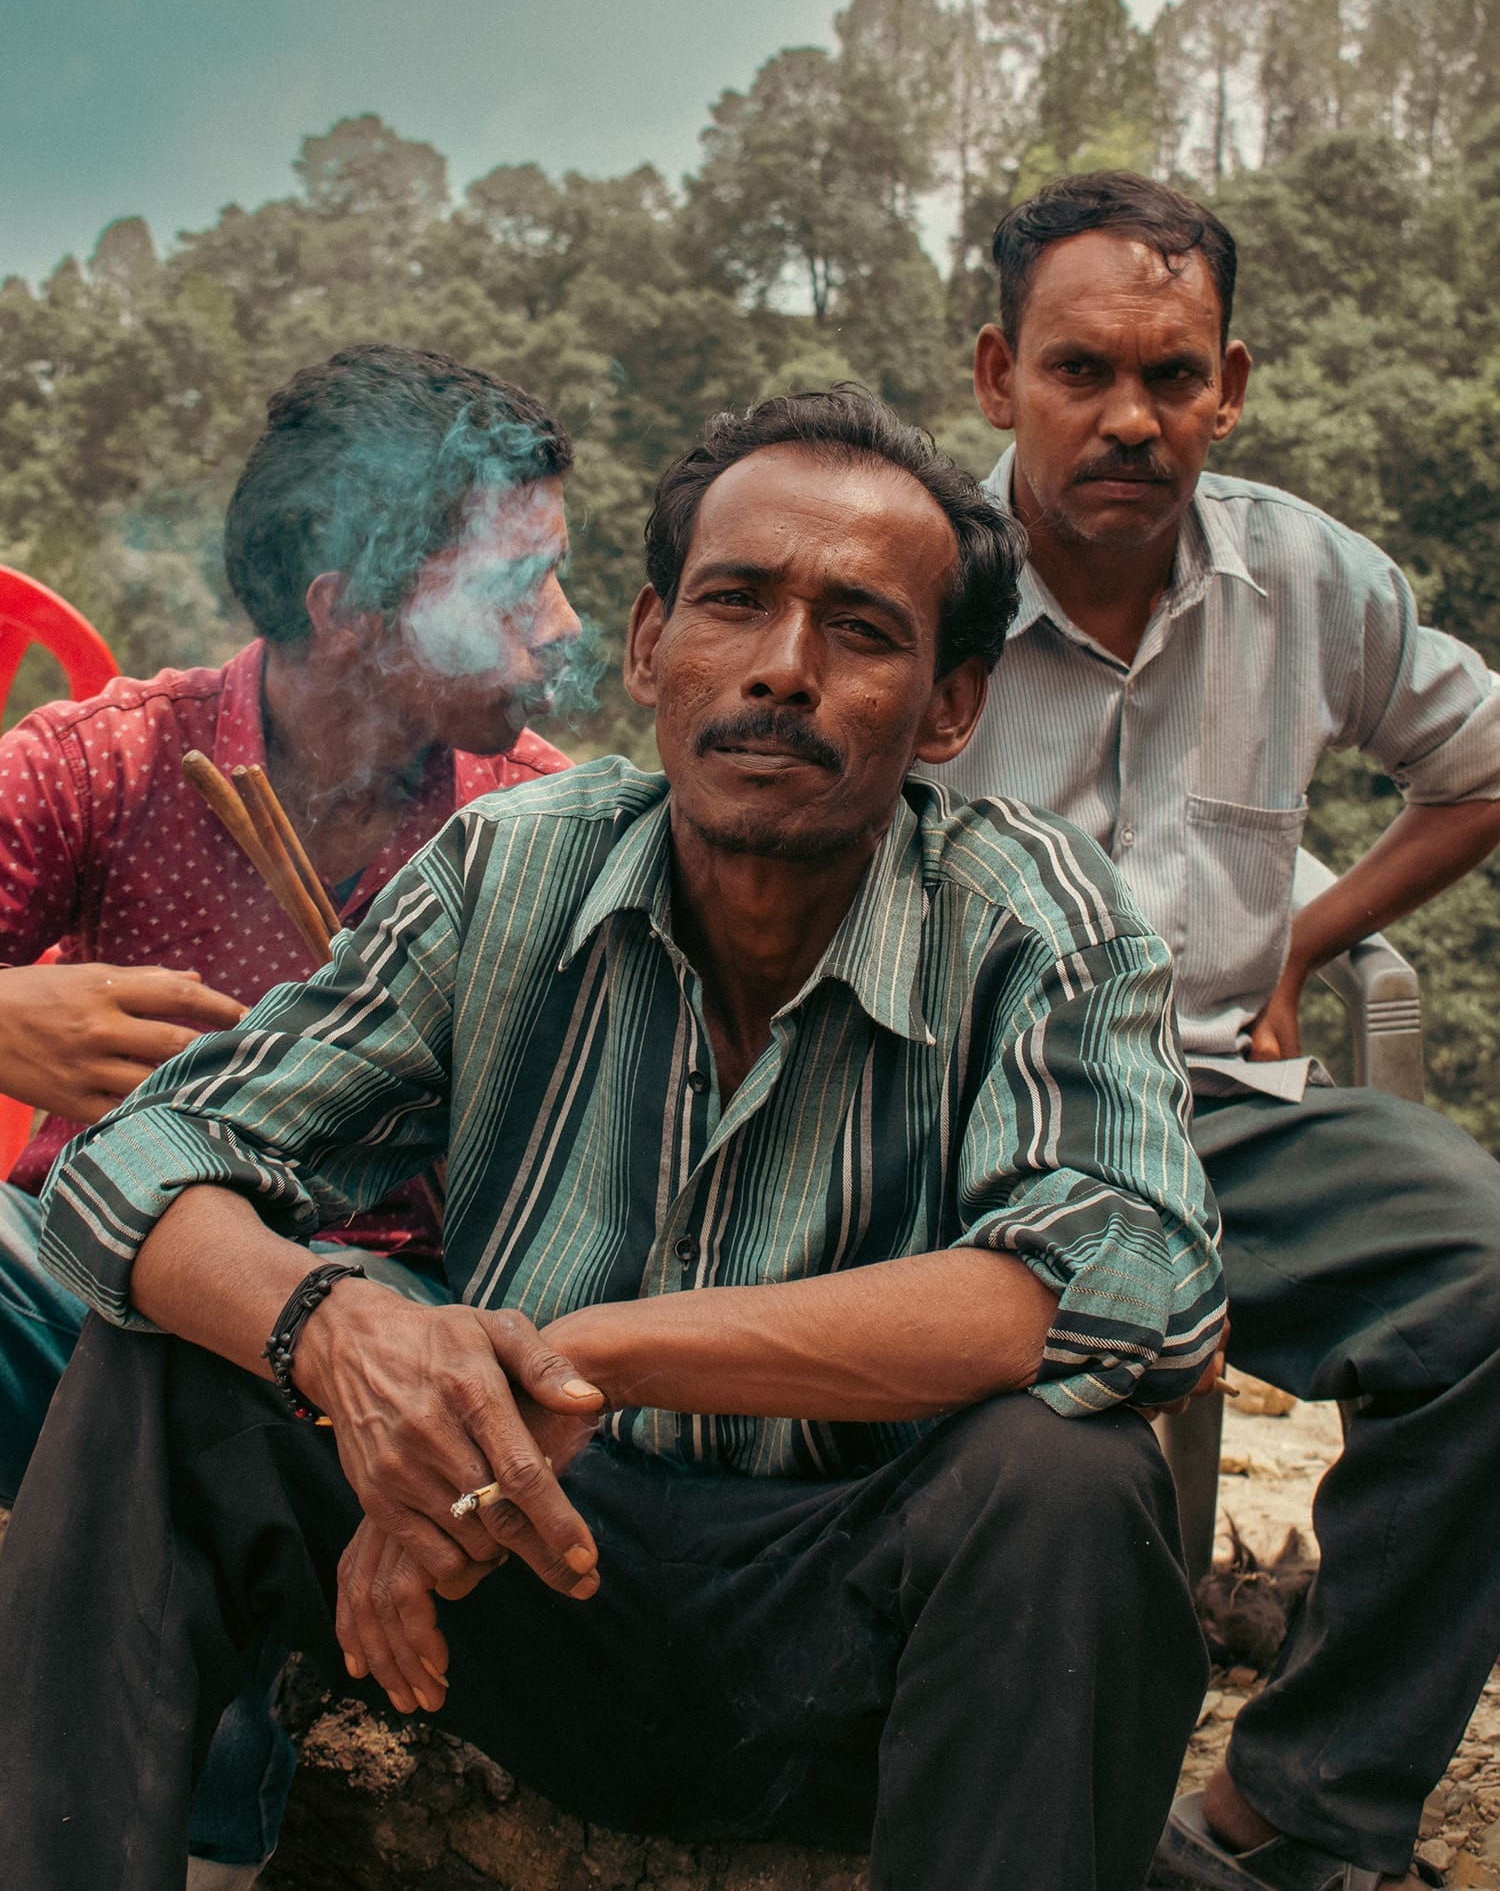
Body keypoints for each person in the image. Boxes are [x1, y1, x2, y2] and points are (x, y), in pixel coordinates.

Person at [0, 388, 1225, 1891]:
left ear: (952, 706)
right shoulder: (517, 861)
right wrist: (353, 1343)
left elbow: (1123, 1281)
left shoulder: (1038, 916)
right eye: (734, 604)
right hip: (521, 1579)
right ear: (651, 644)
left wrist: (584, 1353)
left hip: (852, 1619)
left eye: (860, 629)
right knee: (160, 1370)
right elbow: (145, 1157)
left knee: (1072, 1485)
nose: (781, 669)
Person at [931, 171, 1500, 1891]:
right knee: (1038, 1449)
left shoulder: (1301, 574)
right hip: (946, 1114)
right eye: (1080, 369)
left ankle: (1300, 1804)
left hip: (1213, 1109)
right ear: (994, 373)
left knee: (1490, 1274)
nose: (1129, 418)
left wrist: (1310, 936)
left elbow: (1479, 766)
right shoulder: (909, 571)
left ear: (1231, 385)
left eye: (1172, 377)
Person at [0, 339, 580, 1889]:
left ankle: (207, 1812)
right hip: (73, 1277)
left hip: (376, 1335)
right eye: (518, 590)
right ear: (346, 605)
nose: (563, 630)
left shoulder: (534, 823)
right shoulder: (116, 758)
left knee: (215, 1371)